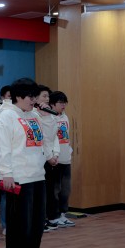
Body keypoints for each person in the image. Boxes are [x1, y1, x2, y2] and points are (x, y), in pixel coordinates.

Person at [0, 78, 48, 248]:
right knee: (19, 223)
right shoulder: (6, 116)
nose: (33, 101)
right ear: (18, 96)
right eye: (30, 97)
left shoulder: (34, 115)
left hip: (37, 175)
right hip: (18, 177)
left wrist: (47, 117)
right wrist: (6, 173)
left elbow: (46, 139)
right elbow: (3, 147)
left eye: (35, 97)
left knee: (37, 222)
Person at [35, 85, 61, 233]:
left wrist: (55, 154)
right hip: (41, 158)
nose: (47, 99)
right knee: (41, 193)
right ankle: (41, 219)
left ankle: (49, 217)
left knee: (51, 191)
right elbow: (42, 139)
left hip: (51, 157)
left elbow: (54, 136)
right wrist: (50, 156)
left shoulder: (49, 115)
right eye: (44, 96)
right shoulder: (33, 115)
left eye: (47, 96)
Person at [50, 91, 75, 227]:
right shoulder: (50, 118)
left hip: (66, 159)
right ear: (52, 104)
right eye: (60, 102)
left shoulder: (65, 117)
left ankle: (63, 214)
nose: (63, 105)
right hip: (55, 160)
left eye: (64, 102)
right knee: (55, 190)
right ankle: (54, 216)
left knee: (66, 189)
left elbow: (67, 137)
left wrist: (69, 151)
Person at [0, 85, 11, 234]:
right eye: (9, 97)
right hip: (5, 163)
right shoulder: (0, 115)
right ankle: (6, 225)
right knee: (7, 195)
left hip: (20, 165)